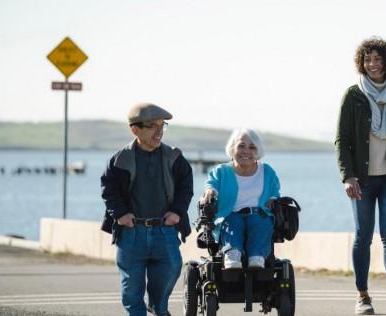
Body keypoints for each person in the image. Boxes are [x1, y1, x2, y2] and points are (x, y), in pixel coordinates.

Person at [335, 36, 386, 315]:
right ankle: (363, 296)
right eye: (367, 59)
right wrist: (348, 176)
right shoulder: (353, 95)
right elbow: (342, 140)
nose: (372, 64)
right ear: (362, 62)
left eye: (377, 59)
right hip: (362, 179)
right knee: (362, 236)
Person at [101, 102, 194, 316]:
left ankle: (158, 308)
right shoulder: (119, 160)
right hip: (131, 233)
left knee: (171, 269)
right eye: (153, 125)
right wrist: (121, 214)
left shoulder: (174, 157)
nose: (159, 131)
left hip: (165, 231)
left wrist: (177, 212)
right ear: (135, 129)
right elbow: (109, 190)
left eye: (162, 125)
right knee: (132, 291)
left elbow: (185, 187)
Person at [201, 128, 280, 269]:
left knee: (261, 222)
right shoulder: (221, 171)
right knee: (233, 222)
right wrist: (210, 190)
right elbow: (211, 183)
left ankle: (257, 256)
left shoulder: (267, 171)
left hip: (258, 213)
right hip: (230, 215)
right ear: (232, 148)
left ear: (258, 151)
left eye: (252, 147)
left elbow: (275, 190)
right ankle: (232, 253)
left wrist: (273, 198)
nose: (246, 151)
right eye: (241, 146)